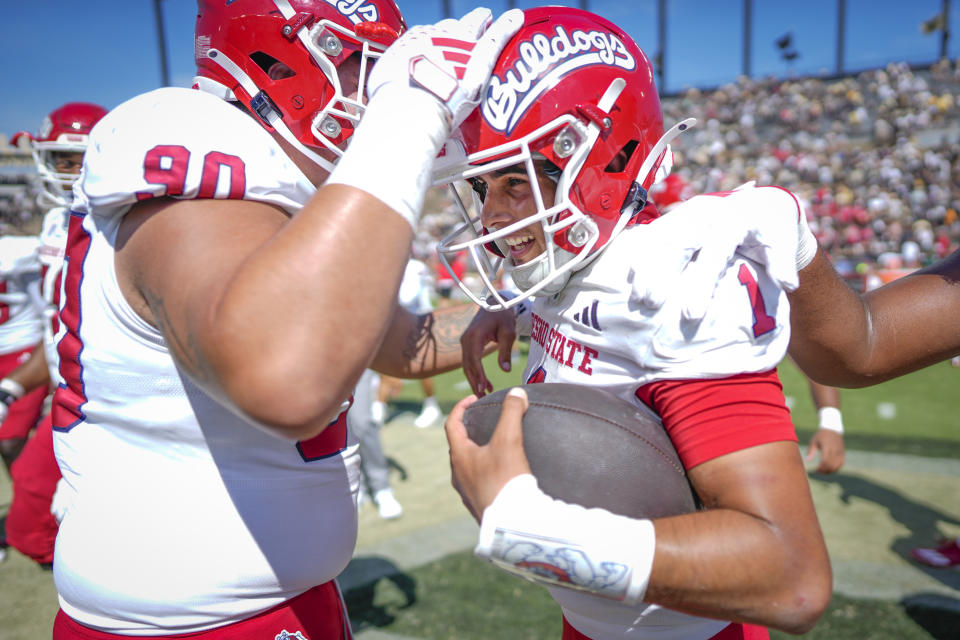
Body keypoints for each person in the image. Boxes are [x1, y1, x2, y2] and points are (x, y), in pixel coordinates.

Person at [48, 2, 521, 637]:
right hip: (186, 624)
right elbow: (287, 381)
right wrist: (409, 113)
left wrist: (522, 310)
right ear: (284, 58)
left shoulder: (274, 201)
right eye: (368, 64)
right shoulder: (195, 168)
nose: (380, 83)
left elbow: (403, 342)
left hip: (280, 601)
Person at [438, 7, 831, 639]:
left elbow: (790, 574)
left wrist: (535, 535)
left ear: (597, 164)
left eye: (515, 184)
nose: (489, 220)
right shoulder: (574, 262)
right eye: (483, 188)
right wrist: (514, 305)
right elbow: (583, 295)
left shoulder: (670, 286)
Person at [649, 173, 848, 475]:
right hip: (736, 425)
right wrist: (830, 422)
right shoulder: (733, 247)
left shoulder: (660, 257)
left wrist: (831, 422)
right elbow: (810, 345)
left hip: (697, 422)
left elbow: (807, 338)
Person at [1, 102, 107, 569]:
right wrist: (16, 385)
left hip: (108, 400)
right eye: (64, 160)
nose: (73, 172)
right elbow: (58, 327)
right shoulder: (51, 225)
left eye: (83, 157)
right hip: (69, 392)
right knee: (33, 512)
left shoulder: (121, 223)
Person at [374, 256, 444, 428]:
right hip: (398, 322)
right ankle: (379, 407)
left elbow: (408, 297)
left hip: (418, 322)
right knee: (385, 367)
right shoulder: (392, 264)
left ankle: (431, 406)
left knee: (421, 369)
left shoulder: (414, 267)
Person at [350, 369, 403, 519]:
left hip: (355, 363)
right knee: (339, 429)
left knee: (363, 424)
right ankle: (356, 486)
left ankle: (382, 488)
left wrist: (387, 374)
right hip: (320, 365)